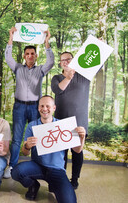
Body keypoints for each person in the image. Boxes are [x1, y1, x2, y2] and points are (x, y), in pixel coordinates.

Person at [11, 95, 86, 203]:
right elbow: (25, 153)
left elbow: (77, 150)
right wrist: (27, 146)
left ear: (54, 108)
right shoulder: (32, 125)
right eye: (42, 106)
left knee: (69, 201)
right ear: (38, 108)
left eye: (48, 106)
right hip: (37, 166)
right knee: (16, 172)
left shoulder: (63, 125)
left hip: (57, 170)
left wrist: (81, 138)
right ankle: (33, 185)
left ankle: (55, 186)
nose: (44, 109)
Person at [4, 27, 54, 178]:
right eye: (27, 54)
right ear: (24, 56)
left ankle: (37, 166)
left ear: (36, 56)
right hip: (19, 107)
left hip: (35, 107)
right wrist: (11, 37)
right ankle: (11, 166)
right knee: (17, 138)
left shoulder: (40, 70)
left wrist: (47, 42)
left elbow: (51, 61)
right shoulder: (18, 68)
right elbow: (8, 58)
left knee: (36, 138)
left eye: (32, 54)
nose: (30, 56)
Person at [51, 51, 90, 189]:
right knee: (61, 154)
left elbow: (97, 62)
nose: (66, 62)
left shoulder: (84, 76)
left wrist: (99, 45)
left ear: (73, 60)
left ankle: (74, 180)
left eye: (68, 59)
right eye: (63, 60)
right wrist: (67, 77)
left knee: (77, 152)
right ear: (60, 63)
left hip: (79, 122)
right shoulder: (56, 78)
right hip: (61, 121)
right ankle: (60, 179)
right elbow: (57, 90)